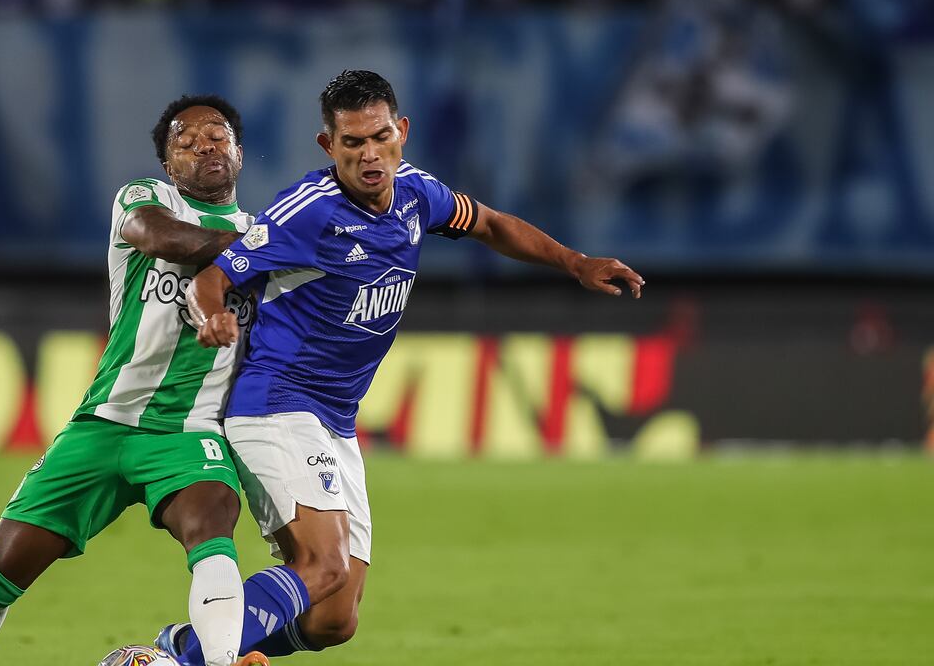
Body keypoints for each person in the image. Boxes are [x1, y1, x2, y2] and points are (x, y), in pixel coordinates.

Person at [160, 70, 644, 664]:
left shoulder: (417, 192)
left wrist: (575, 262)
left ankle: (201, 644)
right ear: (327, 146)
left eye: (380, 137)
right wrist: (212, 316)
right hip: (278, 403)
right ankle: (182, 659)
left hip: (336, 418)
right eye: (353, 143)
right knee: (323, 564)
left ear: (402, 132)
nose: (370, 155)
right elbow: (216, 274)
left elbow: (489, 223)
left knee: (334, 619)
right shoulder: (307, 213)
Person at [0, 95, 271, 666]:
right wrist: (264, 252)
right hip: (104, 423)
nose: (205, 145)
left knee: (213, 518)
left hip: (187, 431)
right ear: (168, 164)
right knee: (2, 568)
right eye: (186, 141)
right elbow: (164, 240)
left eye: (218, 134)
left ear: (239, 152)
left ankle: (219, 660)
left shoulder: (263, 232)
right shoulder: (145, 200)